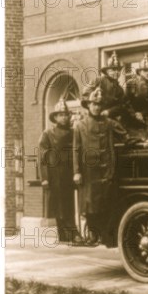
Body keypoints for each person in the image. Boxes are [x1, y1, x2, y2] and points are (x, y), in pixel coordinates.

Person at [74, 87, 129, 245]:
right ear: (88, 105)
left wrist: (135, 140)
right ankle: (93, 233)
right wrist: (76, 171)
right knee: (90, 204)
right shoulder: (80, 125)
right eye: (94, 104)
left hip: (107, 169)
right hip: (89, 170)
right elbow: (76, 149)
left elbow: (124, 134)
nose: (96, 107)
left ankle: (106, 236)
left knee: (106, 203)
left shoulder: (109, 123)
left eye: (99, 105)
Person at [39, 99, 84, 245]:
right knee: (59, 204)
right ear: (55, 117)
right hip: (55, 174)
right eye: (61, 115)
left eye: (66, 114)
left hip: (69, 172)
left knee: (68, 203)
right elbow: (43, 157)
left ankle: (69, 234)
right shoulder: (48, 134)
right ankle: (67, 234)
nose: (64, 117)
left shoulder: (73, 132)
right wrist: (44, 177)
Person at [82, 51, 130, 122]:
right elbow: (85, 94)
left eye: (118, 70)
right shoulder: (98, 81)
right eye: (113, 69)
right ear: (107, 71)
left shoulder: (119, 90)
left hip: (110, 119)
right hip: (94, 117)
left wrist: (109, 112)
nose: (116, 72)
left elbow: (121, 106)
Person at [126, 53, 148, 140]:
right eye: (145, 71)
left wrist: (142, 114)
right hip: (129, 120)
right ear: (139, 72)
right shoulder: (132, 83)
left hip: (143, 120)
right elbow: (125, 102)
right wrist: (134, 114)